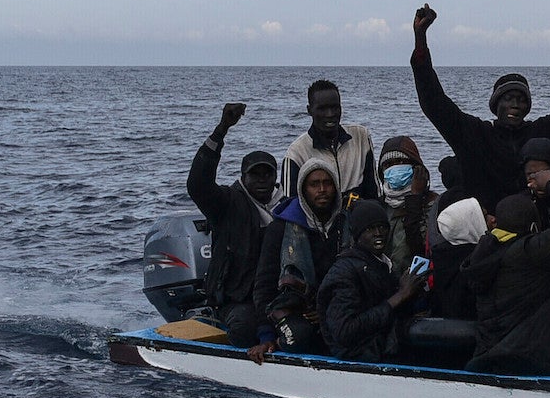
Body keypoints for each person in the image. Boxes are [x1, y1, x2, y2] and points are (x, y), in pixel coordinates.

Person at [409, 2, 550, 208]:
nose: (515, 105)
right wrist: (420, 40)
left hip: (534, 226)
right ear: (495, 104)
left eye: (521, 100)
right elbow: (433, 102)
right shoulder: (474, 134)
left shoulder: (543, 133)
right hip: (484, 227)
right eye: (508, 98)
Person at [461, 144, 550, 375]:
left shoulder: (481, 253)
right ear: (534, 227)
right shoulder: (531, 252)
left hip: (486, 362)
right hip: (530, 365)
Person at [184, 102, 277, 341]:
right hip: (236, 299)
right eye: (255, 174)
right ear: (243, 177)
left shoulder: (286, 207)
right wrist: (222, 129)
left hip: (275, 295)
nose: (262, 180)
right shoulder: (227, 203)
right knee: (245, 328)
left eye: (268, 174)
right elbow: (197, 184)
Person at [248, 156, 345, 361]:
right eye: (314, 184)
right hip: (294, 311)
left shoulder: (346, 225)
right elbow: (264, 286)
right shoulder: (280, 229)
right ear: (303, 189)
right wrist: (265, 335)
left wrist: (329, 311)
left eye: (327, 183)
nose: (321, 190)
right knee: (299, 337)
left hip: (337, 310)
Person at [318, 199, 431, 362]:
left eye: (382, 227)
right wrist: (399, 296)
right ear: (357, 235)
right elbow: (345, 331)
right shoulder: (344, 272)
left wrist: (413, 291)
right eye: (369, 229)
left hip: (383, 348)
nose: (378, 233)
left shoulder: (383, 265)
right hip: (359, 357)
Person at [279, 79, 377, 201]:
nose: (330, 114)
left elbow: (374, 192)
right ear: (309, 110)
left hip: (359, 216)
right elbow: (289, 206)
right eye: (322, 109)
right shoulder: (296, 153)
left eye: (335, 107)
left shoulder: (361, 136)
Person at [376, 135, 439, 272]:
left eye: (400, 161)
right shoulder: (379, 207)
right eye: (389, 165)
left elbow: (420, 247)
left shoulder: (433, 204)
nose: (395, 168)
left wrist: (415, 198)